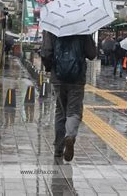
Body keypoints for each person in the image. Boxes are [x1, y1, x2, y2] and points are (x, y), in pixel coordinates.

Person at [41, 30, 96, 162]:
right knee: (74, 110)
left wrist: (50, 68)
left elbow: (46, 53)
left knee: (60, 111)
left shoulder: (52, 27)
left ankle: (58, 149)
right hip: (77, 78)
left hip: (58, 77)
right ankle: (70, 136)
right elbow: (92, 54)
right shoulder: (83, 28)